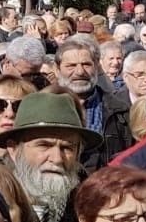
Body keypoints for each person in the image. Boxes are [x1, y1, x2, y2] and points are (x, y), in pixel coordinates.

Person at [0, 91, 99, 222]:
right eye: (44, 145)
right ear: (13, 149)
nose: (57, 159)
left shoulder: (87, 200)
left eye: (67, 148)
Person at [55, 40, 132, 170]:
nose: (80, 72)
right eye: (71, 66)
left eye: (86, 65)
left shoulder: (121, 111)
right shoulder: (41, 108)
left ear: (97, 67)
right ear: (57, 70)